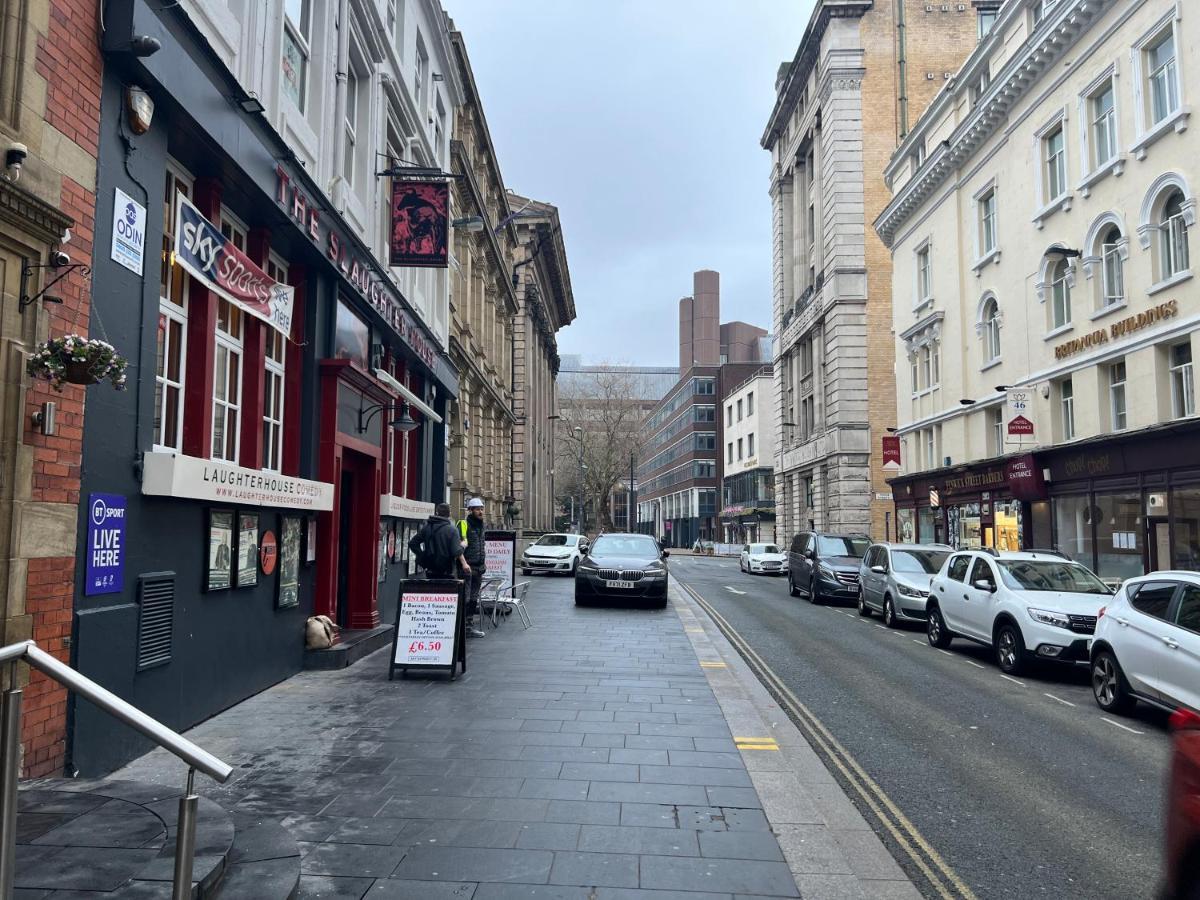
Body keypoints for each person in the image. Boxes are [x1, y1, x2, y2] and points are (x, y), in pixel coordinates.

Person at [408, 503, 470, 582]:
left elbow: (412, 543)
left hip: (430, 569)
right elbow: (456, 551)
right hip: (447, 570)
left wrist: (422, 555)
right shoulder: (452, 530)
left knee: (432, 591)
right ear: (449, 514)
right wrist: (463, 545)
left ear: (437, 512)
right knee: (446, 592)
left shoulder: (427, 527)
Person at [458, 498, 488, 637]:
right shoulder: (464, 524)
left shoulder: (482, 525)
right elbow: (458, 547)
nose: (480, 511)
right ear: (470, 510)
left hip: (479, 568)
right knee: (466, 598)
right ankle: (461, 627)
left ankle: (469, 626)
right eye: (477, 509)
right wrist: (464, 564)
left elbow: (481, 545)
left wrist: (483, 563)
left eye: (481, 509)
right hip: (467, 568)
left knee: (474, 598)